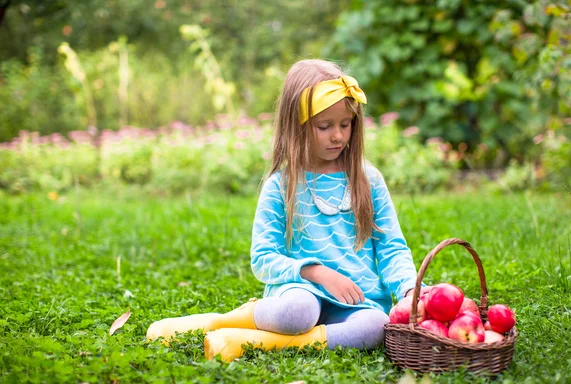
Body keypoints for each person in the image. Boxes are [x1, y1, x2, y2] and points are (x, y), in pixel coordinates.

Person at [146, 59, 418, 362]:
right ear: (296, 127)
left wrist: (409, 289)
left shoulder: (369, 180)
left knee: (375, 328)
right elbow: (263, 258)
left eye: (346, 124)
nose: (338, 136)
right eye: (324, 126)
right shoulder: (281, 185)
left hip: (359, 301)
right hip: (300, 290)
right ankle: (220, 321)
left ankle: (252, 342)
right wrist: (318, 273)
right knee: (297, 313)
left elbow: (392, 246)